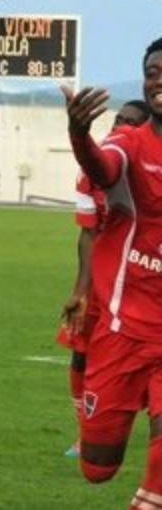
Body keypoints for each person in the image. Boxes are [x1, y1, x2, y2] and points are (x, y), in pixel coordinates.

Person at [62, 39, 162, 507]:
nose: (159, 80)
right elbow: (101, 169)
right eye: (153, 72)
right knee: (97, 468)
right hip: (123, 329)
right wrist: (79, 134)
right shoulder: (129, 143)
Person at [56, 100, 148, 458]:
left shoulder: (145, 167)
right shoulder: (92, 172)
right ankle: (85, 431)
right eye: (118, 119)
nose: (120, 127)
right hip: (100, 282)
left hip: (142, 284)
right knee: (80, 354)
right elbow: (88, 234)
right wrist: (80, 291)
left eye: (130, 123)